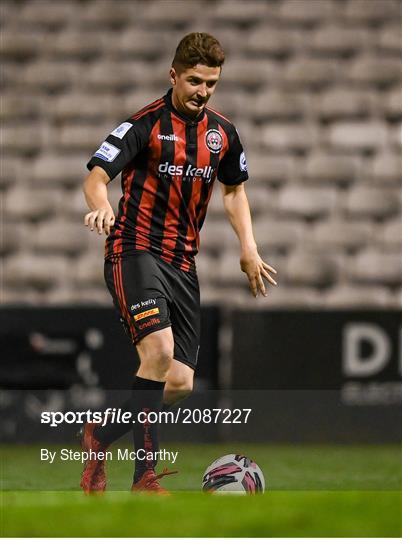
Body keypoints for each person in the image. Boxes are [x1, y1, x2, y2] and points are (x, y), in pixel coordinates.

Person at [81, 32, 277, 494]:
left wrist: (248, 247)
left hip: (182, 263)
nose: (203, 91)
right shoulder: (143, 125)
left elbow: (234, 192)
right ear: (173, 75)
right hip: (134, 249)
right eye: (194, 81)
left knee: (180, 383)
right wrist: (102, 204)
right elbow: (95, 177)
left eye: (211, 83)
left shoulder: (223, 133)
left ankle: (98, 435)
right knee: (159, 353)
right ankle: (144, 478)